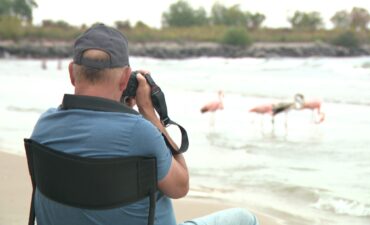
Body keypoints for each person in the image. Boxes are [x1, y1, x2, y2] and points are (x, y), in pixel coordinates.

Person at [29, 24, 259, 225]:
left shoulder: (45, 126)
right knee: (245, 218)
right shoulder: (140, 133)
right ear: (125, 77)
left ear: (71, 72)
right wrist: (148, 112)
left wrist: (124, 111)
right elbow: (180, 187)